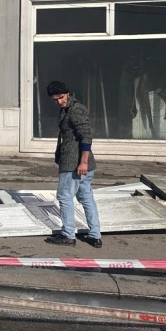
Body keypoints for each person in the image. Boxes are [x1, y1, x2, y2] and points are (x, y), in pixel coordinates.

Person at [44, 81, 102, 248]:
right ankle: (95, 235)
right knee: (86, 198)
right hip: (78, 162)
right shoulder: (68, 108)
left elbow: (86, 136)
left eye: (61, 97)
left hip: (74, 163)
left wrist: (83, 162)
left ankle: (68, 235)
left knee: (65, 197)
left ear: (67, 93)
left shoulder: (76, 109)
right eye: (55, 100)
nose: (59, 101)